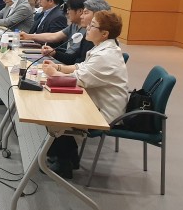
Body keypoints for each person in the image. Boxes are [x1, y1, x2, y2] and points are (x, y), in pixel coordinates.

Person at [42, 10, 129, 178]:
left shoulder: (106, 56)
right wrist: (57, 67)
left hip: (104, 112)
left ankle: (63, 163)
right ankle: (67, 156)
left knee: (55, 112)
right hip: (94, 102)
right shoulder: (102, 48)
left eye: (92, 26)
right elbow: (79, 67)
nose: (87, 28)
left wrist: (54, 73)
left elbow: (77, 80)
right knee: (56, 103)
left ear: (104, 33)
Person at [43, 0, 111, 65]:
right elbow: (73, 59)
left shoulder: (105, 48)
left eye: (86, 13)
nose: (81, 16)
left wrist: (58, 68)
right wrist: (54, 53)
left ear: (98, 16)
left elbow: (82, 67)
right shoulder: (88, 36)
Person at [23, 0, 89, 51]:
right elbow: (54, 36)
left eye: (69, 9)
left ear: (80, 11)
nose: (67, 12)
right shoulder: (74, 25)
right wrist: (28, 36)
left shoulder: (89, 30)